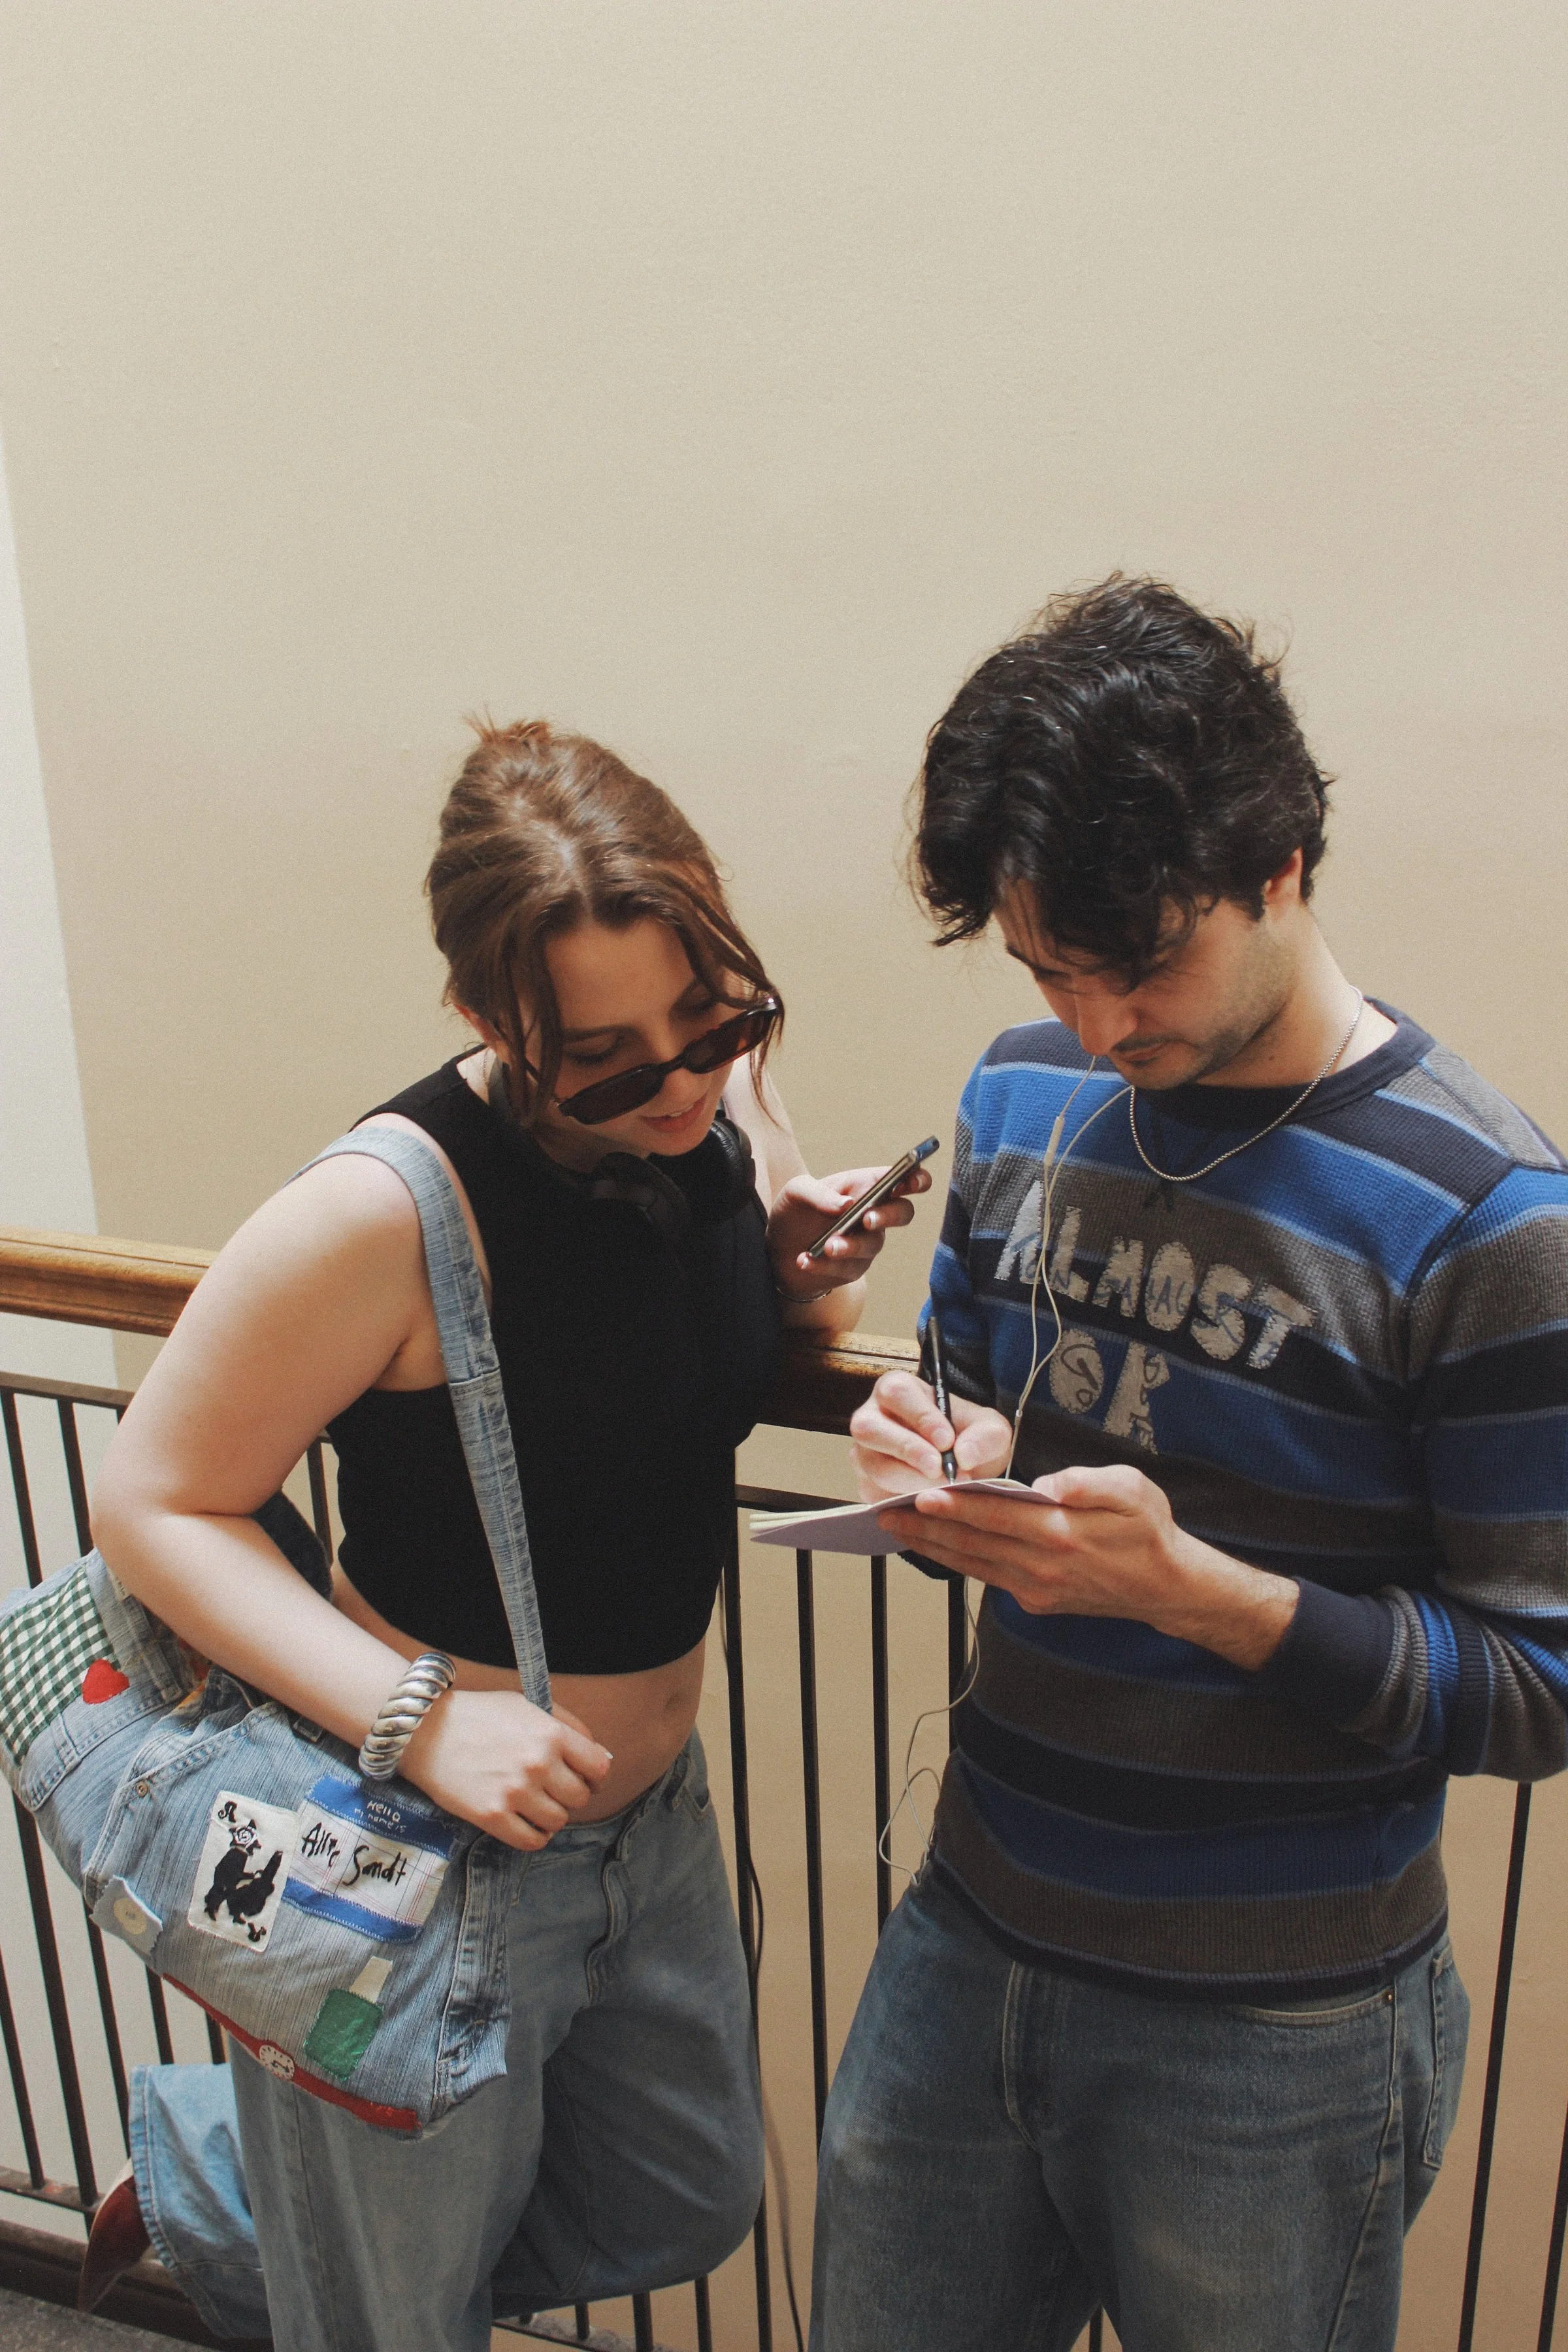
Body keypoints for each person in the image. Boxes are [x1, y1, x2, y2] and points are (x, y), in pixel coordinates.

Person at [83, 720, 930, 2352]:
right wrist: (428, 1722)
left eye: (709, 1016)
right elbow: (152, 1497)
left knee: (688, 2190)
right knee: (393, 2322)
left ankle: (237, 2185)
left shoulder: (714, 1108)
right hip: (417, 1842)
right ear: (488, 1016)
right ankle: (316, 2220)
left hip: (644, 1831)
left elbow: (666, 1353)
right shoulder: (384, 1212)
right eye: (611, 1055)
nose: (680, 1077)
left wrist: (797, 1266)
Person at [809, 578, 1568, 2352]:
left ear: (1282, 859)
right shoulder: (1018, 1098)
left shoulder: (1490, 1216)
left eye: (1137, 960)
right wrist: (933, 1464)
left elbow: (1543, 1685)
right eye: (1042, 969)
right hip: (973, 1929)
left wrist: (1202, 1599)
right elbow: (982, 1438)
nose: (1090, 1021)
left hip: (1279, 2033)